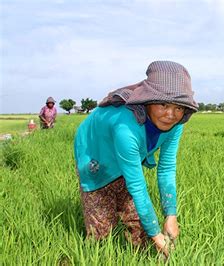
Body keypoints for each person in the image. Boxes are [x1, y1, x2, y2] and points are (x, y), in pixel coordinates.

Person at [73, 61, 198, 258]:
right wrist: (157, 234)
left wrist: (170, 215)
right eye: (163, 104)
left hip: (127, 154)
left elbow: (166, 169)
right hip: (96, 153)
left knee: (138, 222)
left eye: (179, 107)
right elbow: (137, 186)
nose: (170, 114)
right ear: (148, 101)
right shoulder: (126, 127)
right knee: (102, 230)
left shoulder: (176, 124)